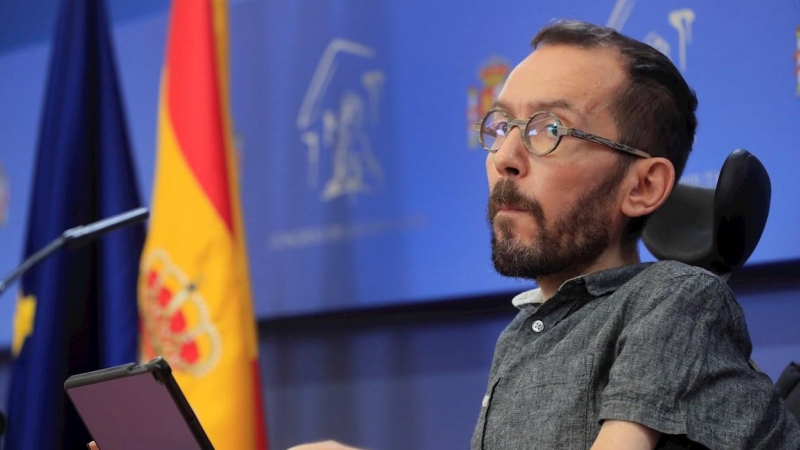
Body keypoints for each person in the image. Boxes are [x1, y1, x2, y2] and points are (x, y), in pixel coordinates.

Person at [92, 19, 800, 450]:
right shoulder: (529, 335)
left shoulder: (677, 298)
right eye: (500, 126)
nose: (505, 155)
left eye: (549, 129)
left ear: (644, 186)